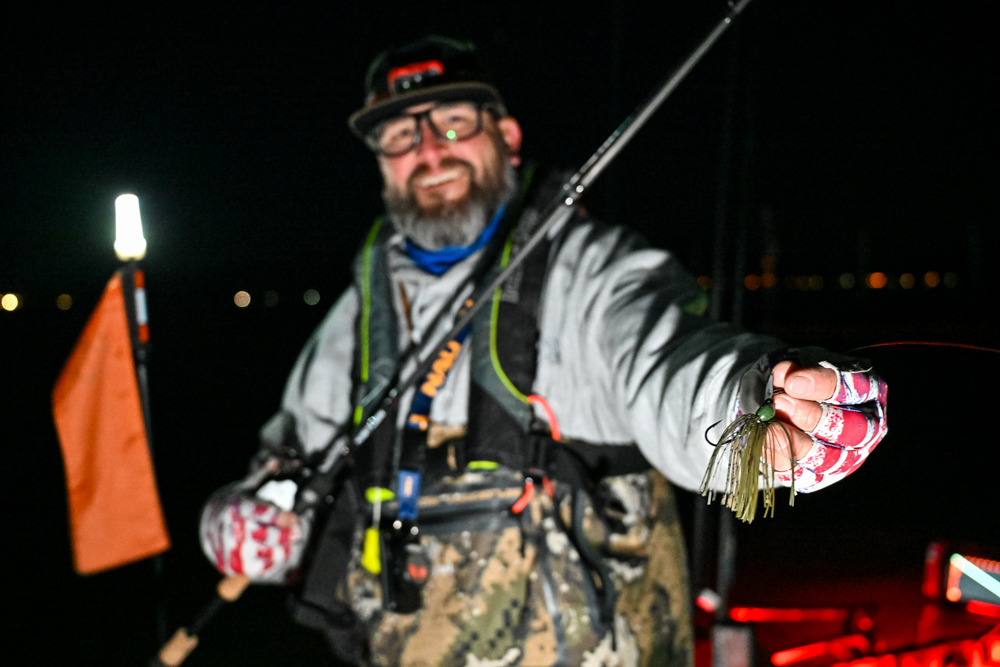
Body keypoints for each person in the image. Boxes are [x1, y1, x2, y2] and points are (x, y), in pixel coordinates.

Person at [200, 36, 888, 667]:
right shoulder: (358, 309)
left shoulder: (593, 270)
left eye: (453, 123)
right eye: (400, 136)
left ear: (506, 137)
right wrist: (256, 521)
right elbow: (291, 469)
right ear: (381, 163)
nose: (430, 151)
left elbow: (670, 365)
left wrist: (757, 399)